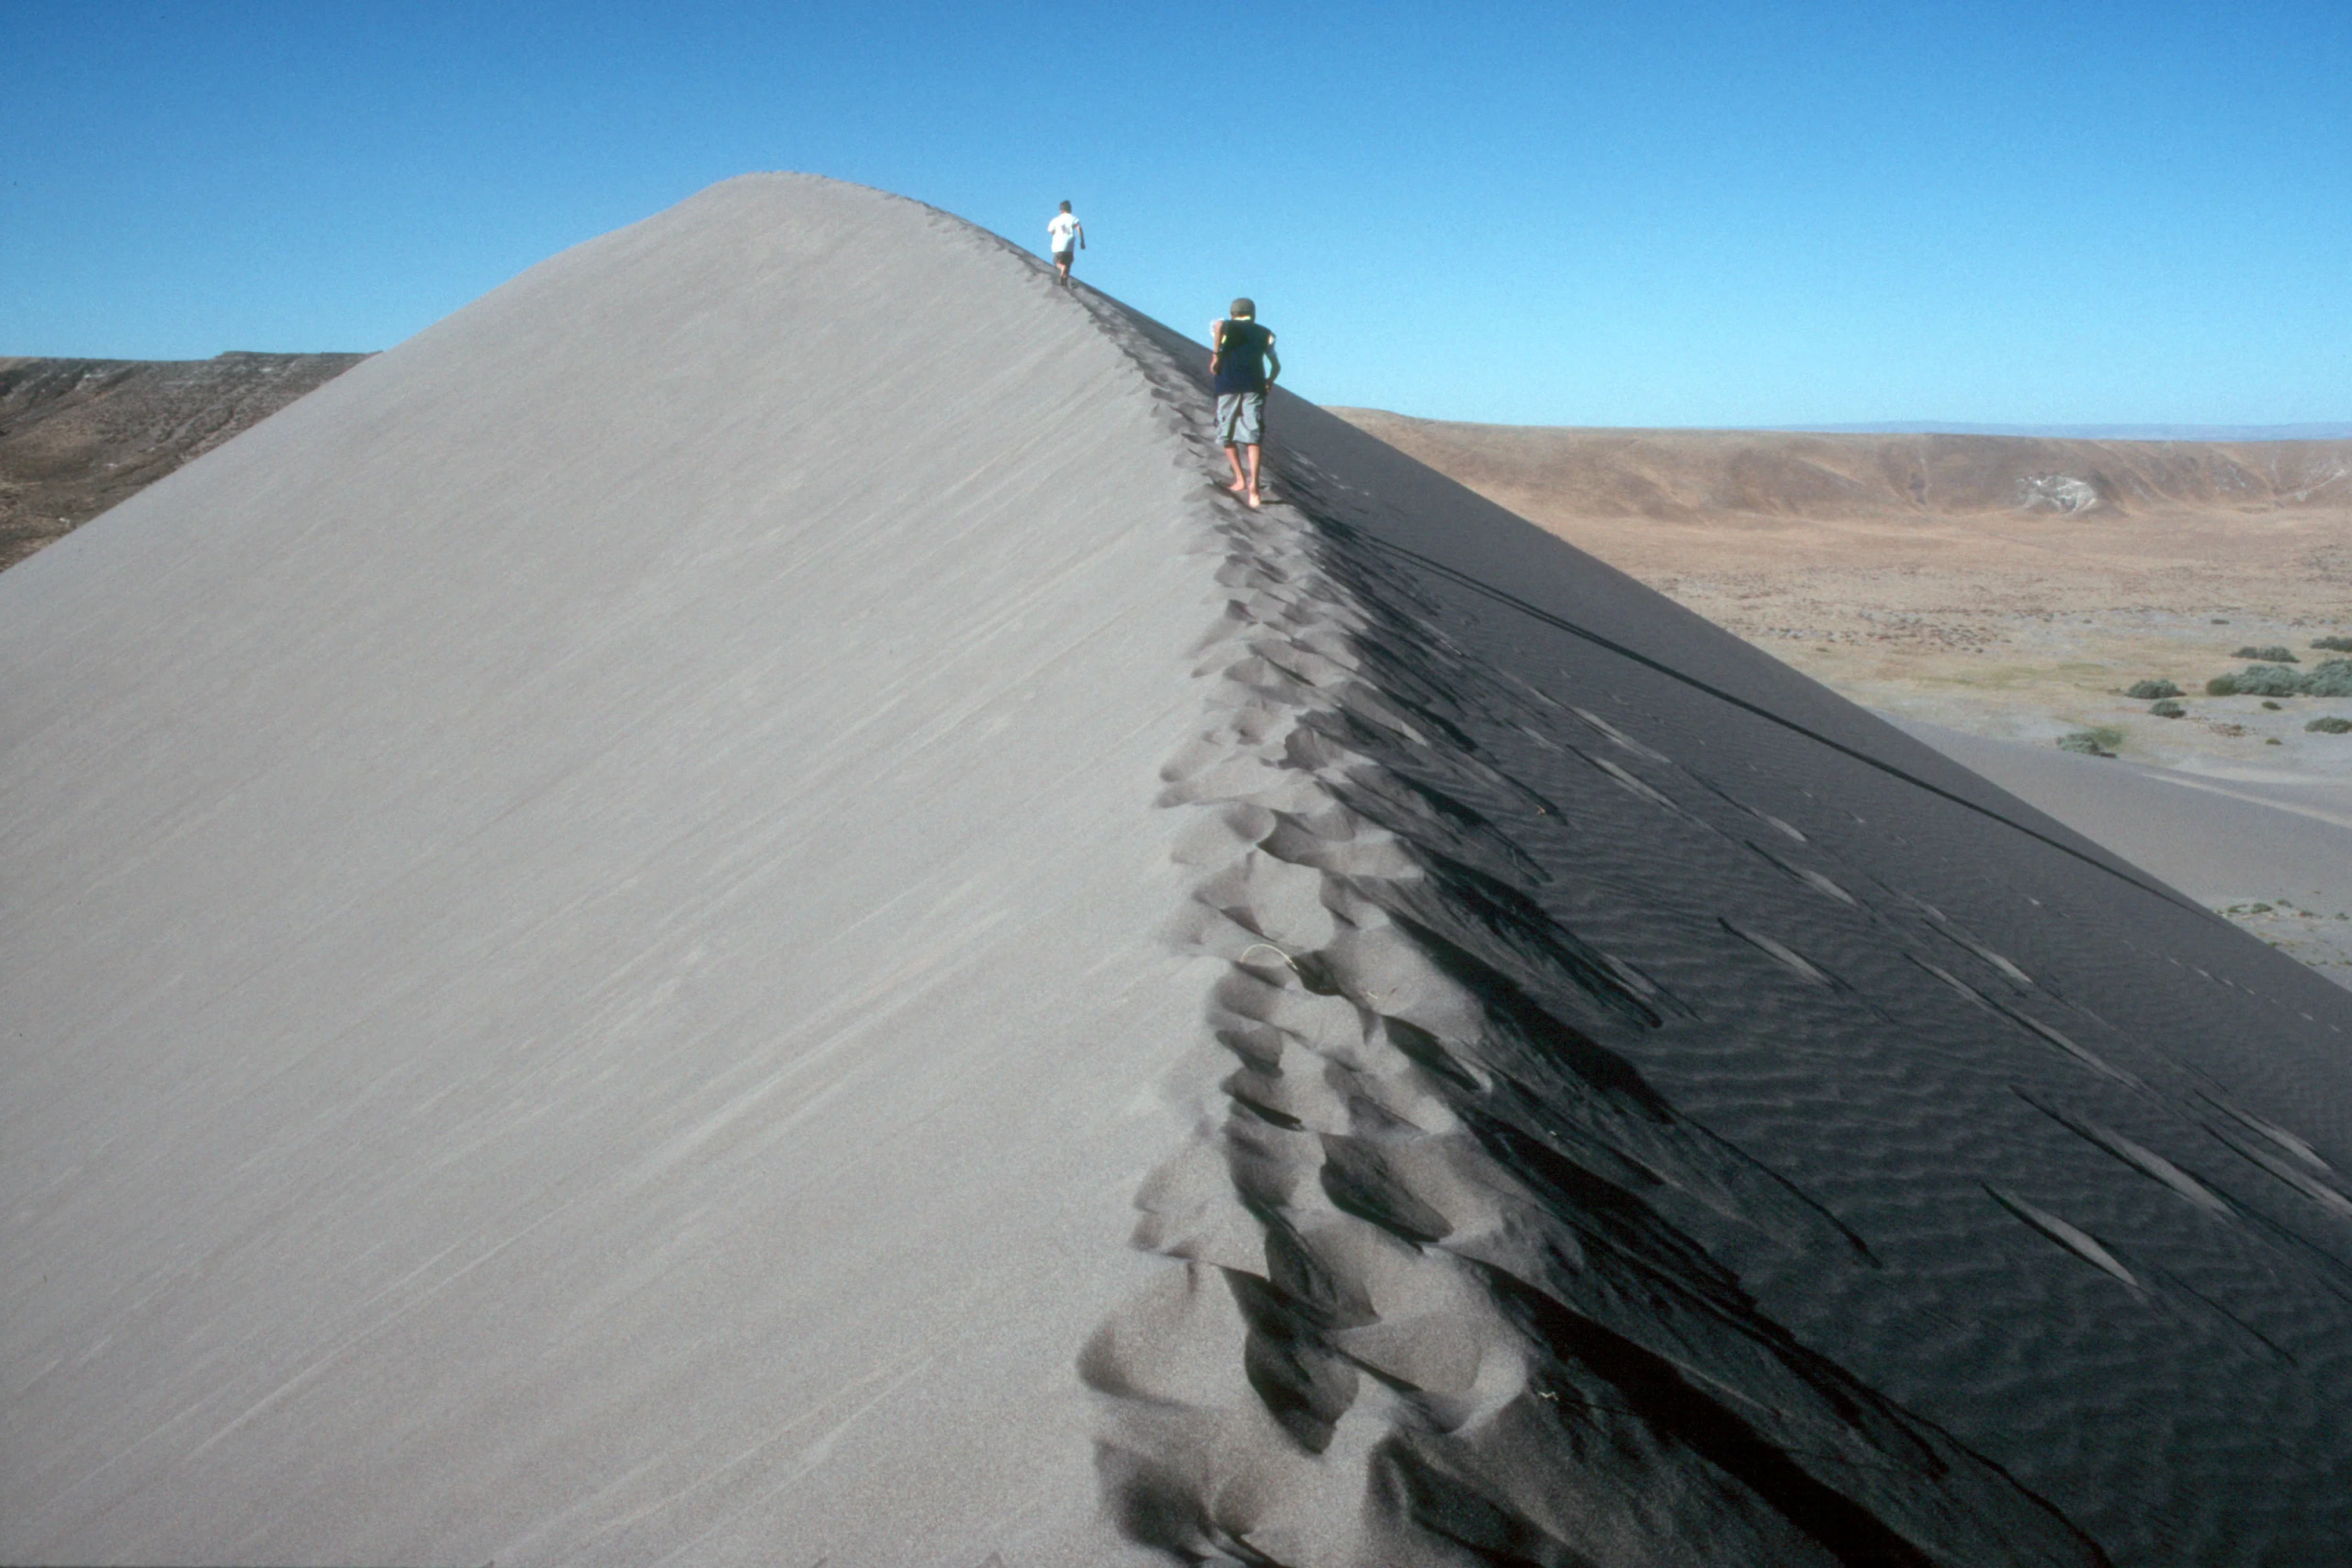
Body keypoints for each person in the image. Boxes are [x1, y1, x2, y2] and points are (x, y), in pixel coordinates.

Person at [1209, 299, 1279, 508]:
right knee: (1253, 436)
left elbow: (1219, 326)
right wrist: (1270, 381)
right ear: (1253, 314)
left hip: (1227, 386)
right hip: (1254, 386)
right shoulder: (1266, 334)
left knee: (1226, 433)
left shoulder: (1225, 327)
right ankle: (1254, 487)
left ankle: (1240, 479)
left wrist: (1216, 355)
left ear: (1232, 314)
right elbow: (1276, 365)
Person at [1047, 201, 1084, 286]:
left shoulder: (1055, 220)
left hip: (1058, 246)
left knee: (1057, 262)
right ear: (1070, 209)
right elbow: (1079, 228)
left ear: (1061, 210)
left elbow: (1051, 230)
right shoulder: (1073, 218)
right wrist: (1082, 241)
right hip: (1069, 245)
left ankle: (1061, 268)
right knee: (1068, 264)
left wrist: (1056, 235)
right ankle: (1065, 282)